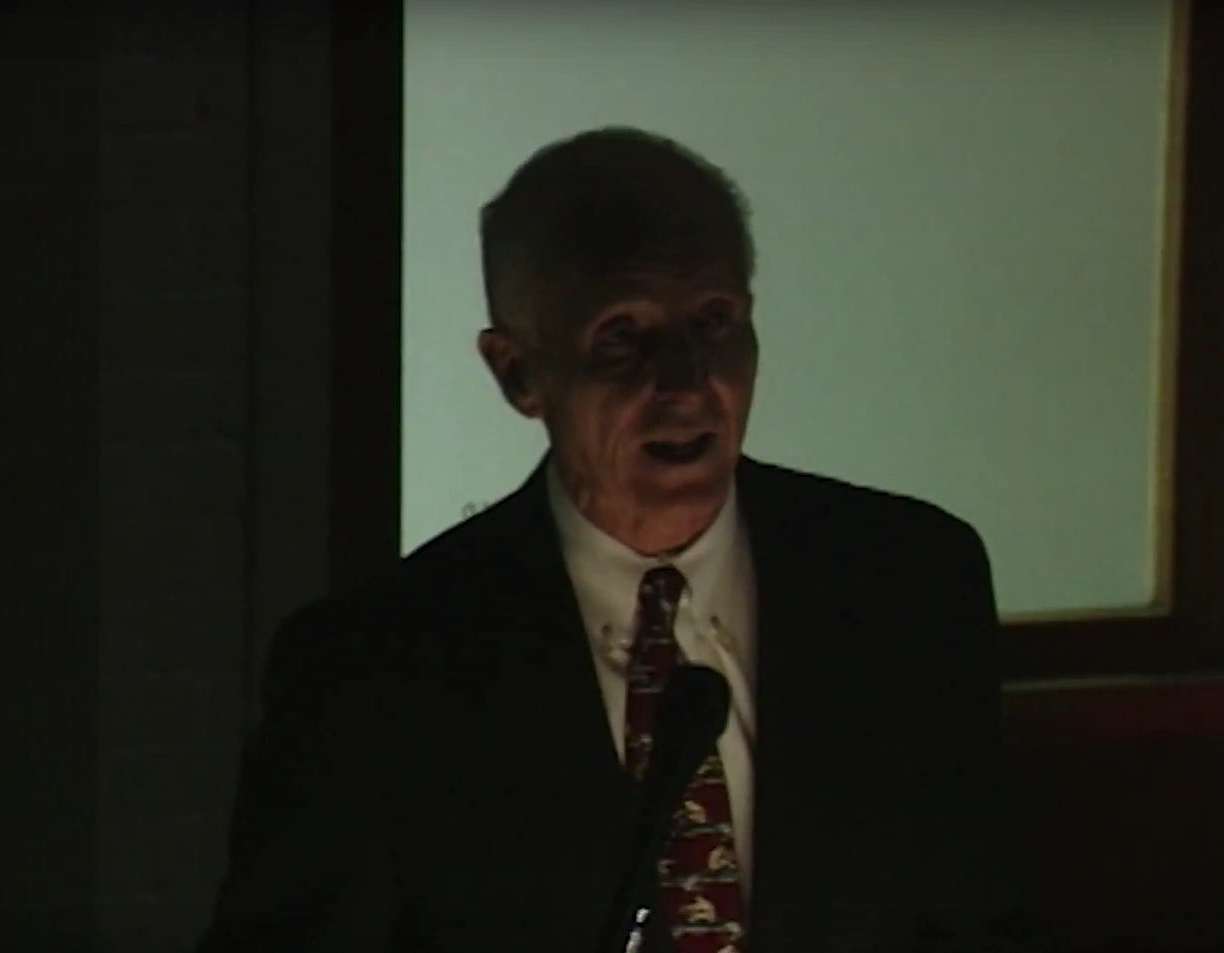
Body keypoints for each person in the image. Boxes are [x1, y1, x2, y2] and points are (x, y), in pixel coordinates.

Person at [198, 127, 1032, 953]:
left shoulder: (911, 583)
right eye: (623, 337)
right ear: (518, 372)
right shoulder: (372, 673)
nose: (685, 382)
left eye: (714, 320)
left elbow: (980, 920)